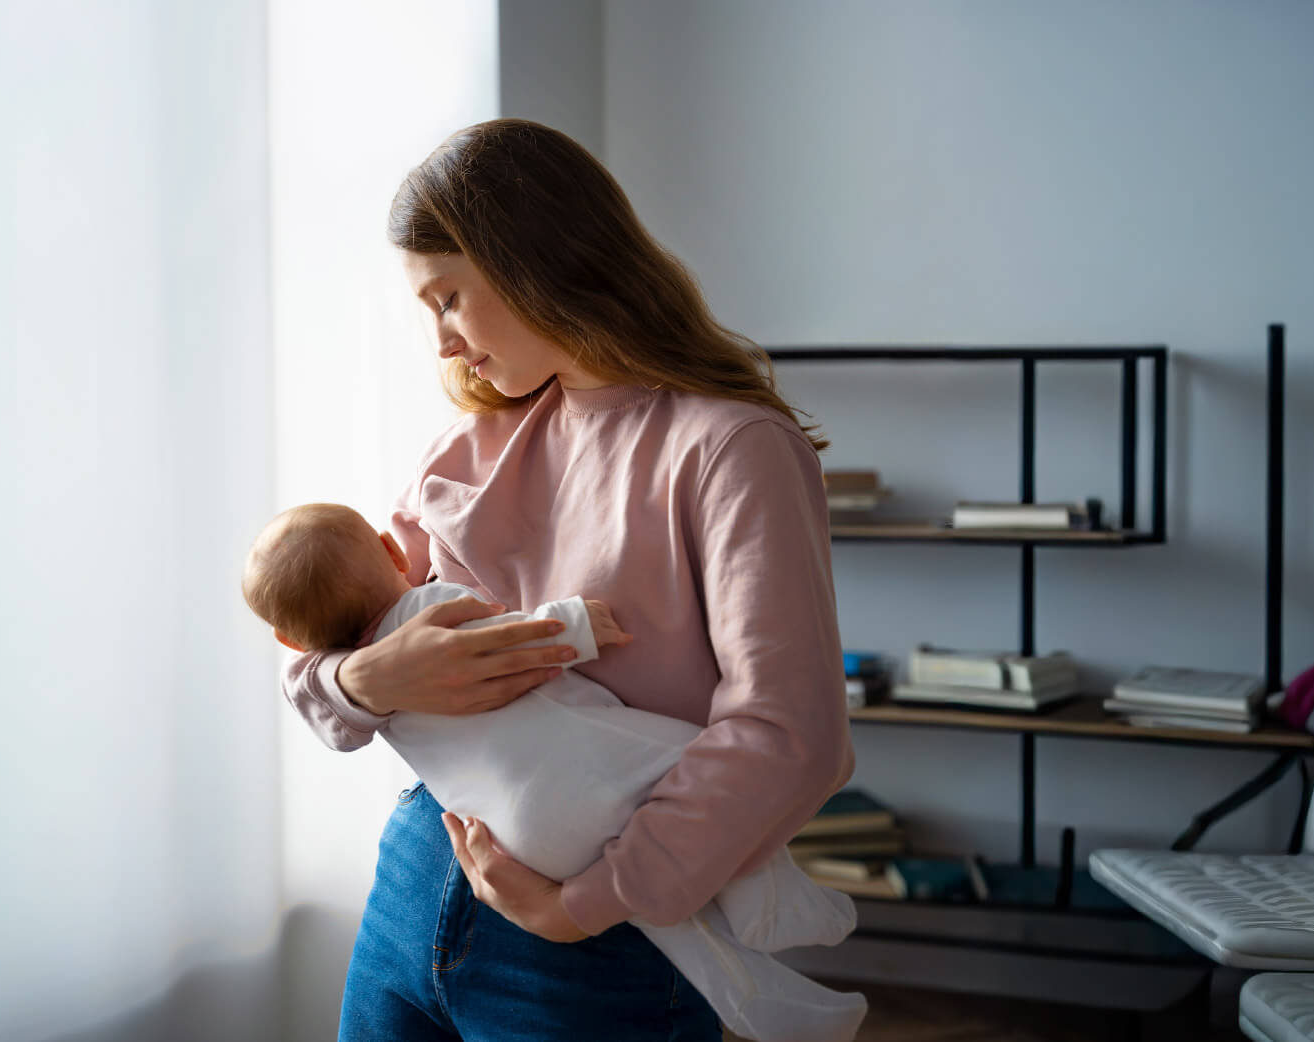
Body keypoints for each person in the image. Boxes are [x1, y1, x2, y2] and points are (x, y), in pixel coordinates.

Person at [281, 118, 856, 1042]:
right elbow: (329, 640)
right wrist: (361, 679)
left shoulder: (731, 449)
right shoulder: (467, 446)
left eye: (449, 300)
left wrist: (586, 903)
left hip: (598, 941)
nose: (442, 344)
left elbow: (792, 734)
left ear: (530, 261)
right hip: (413, 883)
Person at [245, 503, 868, 1040]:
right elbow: (517, 637)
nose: (450, 354)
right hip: (577, 801)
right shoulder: (431, 605)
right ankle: (773, 899)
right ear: (390, 550)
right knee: (686, 759)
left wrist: (354, 675)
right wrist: (574, 624)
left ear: (289, 638)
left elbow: (785, 737)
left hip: (515, 837)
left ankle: (777, 992)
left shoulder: (731, 446)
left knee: (682, 929)